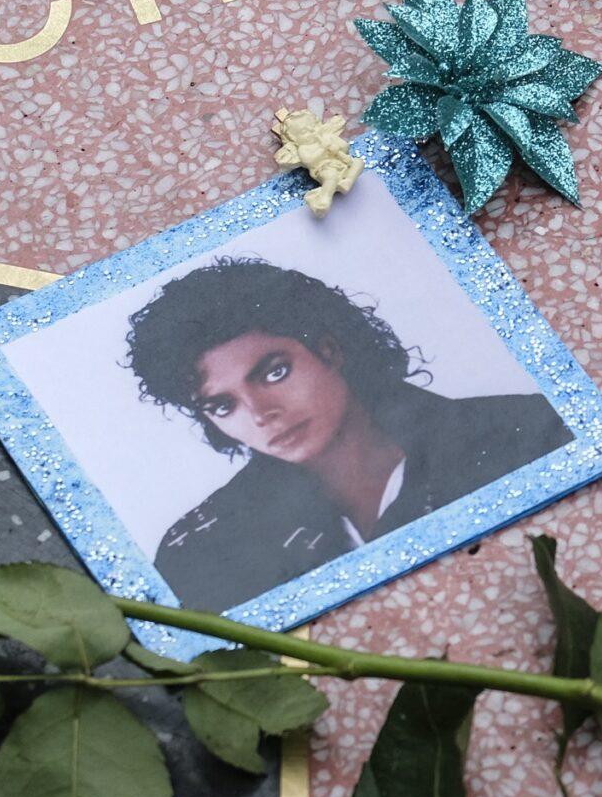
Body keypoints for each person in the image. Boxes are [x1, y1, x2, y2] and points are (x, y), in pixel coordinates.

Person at [125, 259, 575, 611]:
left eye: (274, 372)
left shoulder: (530, 432)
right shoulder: (203, 550)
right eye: (223, 405)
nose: (261, 414)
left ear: (330, 349)